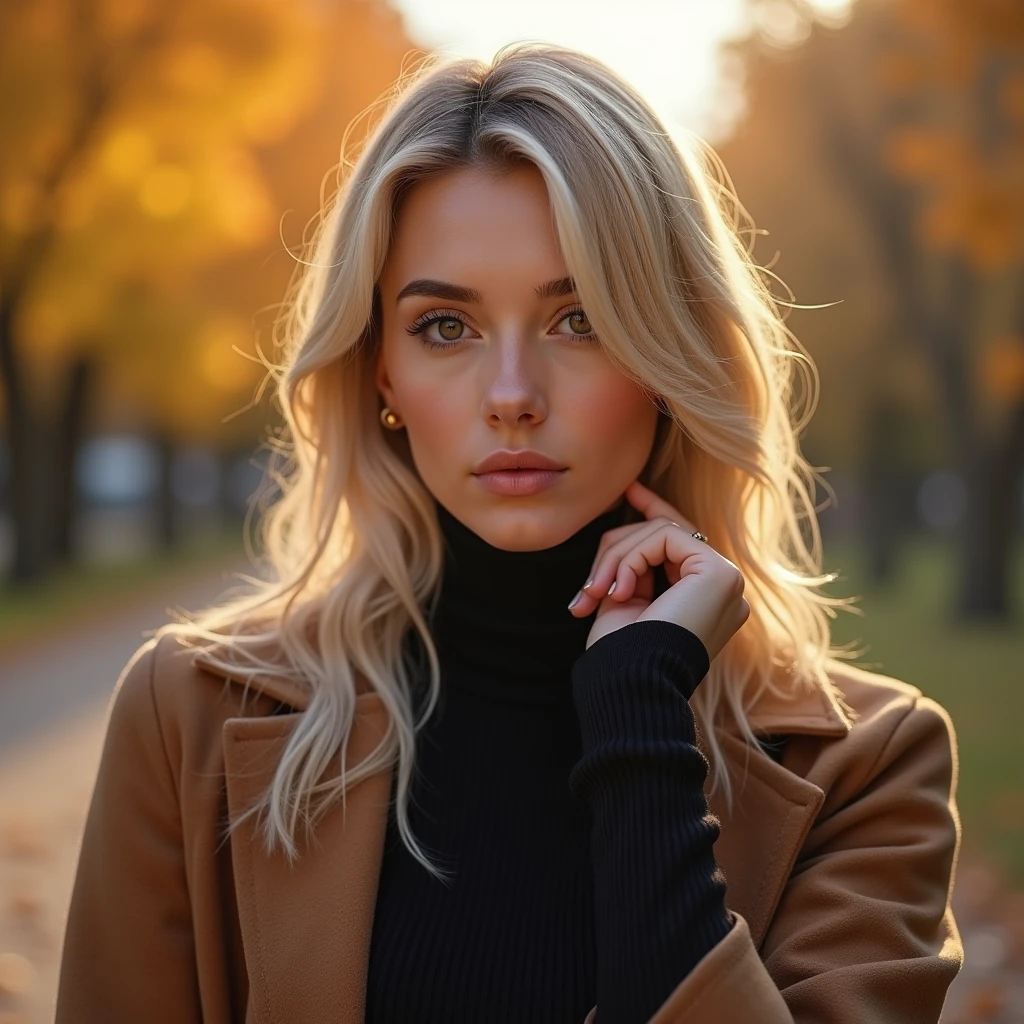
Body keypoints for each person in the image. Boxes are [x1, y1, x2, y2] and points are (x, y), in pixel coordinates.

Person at [55, 42, 963, 1024]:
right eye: (446, 326)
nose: (513, 398)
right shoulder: (185, 712)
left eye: (580, 319)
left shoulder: (865, 766)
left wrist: (637, 719)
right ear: (380, 372)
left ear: (669, 350)